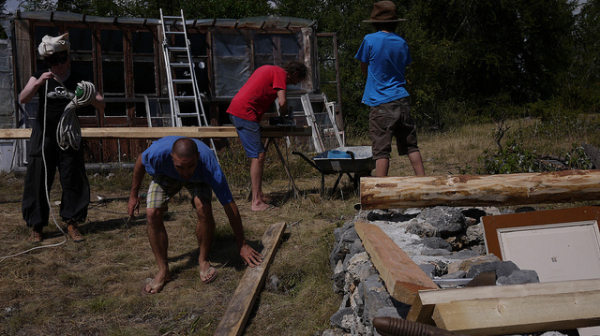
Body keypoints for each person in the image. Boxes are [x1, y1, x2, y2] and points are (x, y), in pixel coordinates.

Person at [128, 136, 263, 294]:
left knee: (204, 208)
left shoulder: (209, 164)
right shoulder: (157, 154)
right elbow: (140, 161)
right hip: (166, 174)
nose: (185, 172)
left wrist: (242, 244)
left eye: (190, 166)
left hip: (199, 177)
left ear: (197, 157)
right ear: (172, 158)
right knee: (151, 212)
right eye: (181, 166)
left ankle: (203, 260)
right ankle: (163, 270)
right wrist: (133, 195)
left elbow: (229, 204)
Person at [20, 33, 105, 243]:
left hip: (68, 135)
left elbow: (101, 104)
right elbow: (23, 97)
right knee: (38, 179)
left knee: (72, 178)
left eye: (61, 61)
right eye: (52, 63)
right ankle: (37, 226)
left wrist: (87, 93)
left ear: (68, 60)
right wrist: (38, 82)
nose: (57, 66)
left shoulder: (78, 78)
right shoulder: (40, 75)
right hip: (44, 135)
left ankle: (72, 223)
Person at [355, 1, 425, 177]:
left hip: (381, 102)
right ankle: (424, 182)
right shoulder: (402, 42)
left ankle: (380, 190)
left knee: (381, 151)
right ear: (395, 22)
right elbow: (403, 66)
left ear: (375, 22)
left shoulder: (369, 40)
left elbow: (364, 68)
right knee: (411, 145)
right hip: (402, 99)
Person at [226, 61, 307, 211]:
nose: (294, 84)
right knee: (258, 155)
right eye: (297, 81)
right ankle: (256, 202)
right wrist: (284, 114)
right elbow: (282, 102)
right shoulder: (280, 74)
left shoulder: (269, 69)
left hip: (241, 110)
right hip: (245, 112)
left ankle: (259, 194)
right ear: (295, 74)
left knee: (259, 153)